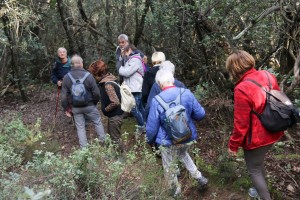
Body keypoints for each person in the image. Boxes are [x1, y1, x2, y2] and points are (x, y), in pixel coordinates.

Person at [226, 50, 284, 200]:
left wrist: (233, 146)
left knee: (254, 169)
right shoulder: (267, 75)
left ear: (234, 69)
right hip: (275, 129)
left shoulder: (241, 89)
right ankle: (260, 190)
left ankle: (265, 196)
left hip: (257, 137)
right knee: (258, 164)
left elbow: (241, 124)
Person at [146, 69, 207, 197]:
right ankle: (199, 177)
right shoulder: (186, 93)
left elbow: (152, 127)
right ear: (172, 80)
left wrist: (149, 141)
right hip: (187, 137)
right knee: (183, 153)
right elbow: (201, 114)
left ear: (159, 84)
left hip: (168, 142)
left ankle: (176, 192)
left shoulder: (157, 100)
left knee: (168, 166)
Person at [61, 55, 106, 148]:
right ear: (81, 64)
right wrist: (94, 103)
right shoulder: (88, 76)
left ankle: (84, 150)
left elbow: (64, 97)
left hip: (76, 108)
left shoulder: (66, 77)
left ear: (71, 65)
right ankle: (103, 143)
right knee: (97, 122)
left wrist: (66, 109)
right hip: (90, 105)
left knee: (80, 128)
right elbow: (96, 93)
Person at [88, 60, 124, 152]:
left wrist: (105, 109)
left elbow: (115, 102)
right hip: (115, 115)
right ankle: (114, 155)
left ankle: (120, 159)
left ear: (99, 74)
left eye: (94, 75)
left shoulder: (108, 85)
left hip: (115, 116)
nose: (93, 77)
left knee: (115, 138)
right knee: (112, 136)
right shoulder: (110, 80)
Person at [119, 44, 145, 135]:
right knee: (140, 107)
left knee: (133, 108)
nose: (124, 54)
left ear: (129, 50)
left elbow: (126, 72)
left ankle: (142, 126)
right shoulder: (131, 59)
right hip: (134, 87)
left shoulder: (135, 60)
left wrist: (119, 67)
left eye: (125, 52)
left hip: (135, 88)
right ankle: (145, 124)